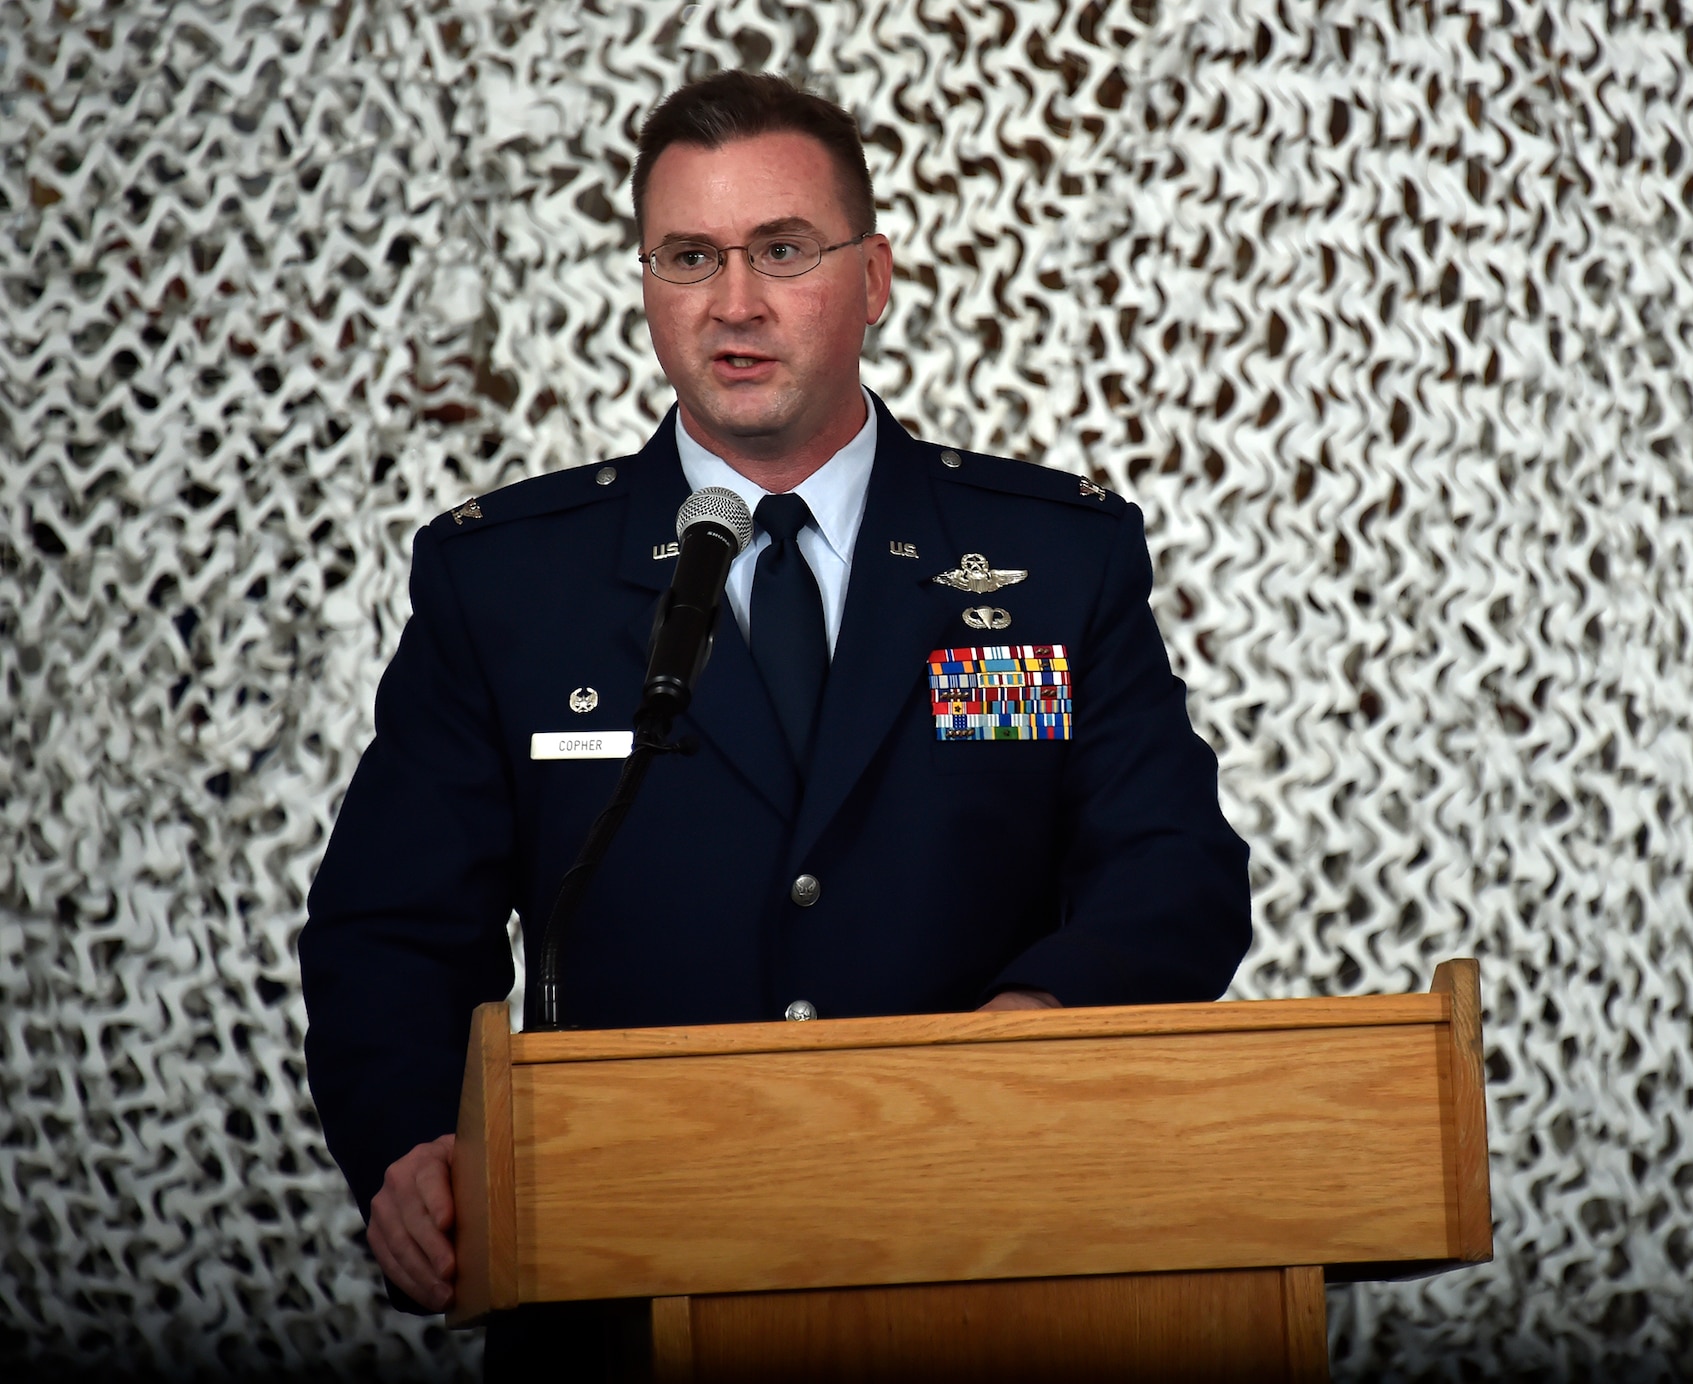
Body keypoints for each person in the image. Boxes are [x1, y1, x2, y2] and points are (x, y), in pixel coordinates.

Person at [299, 70, 1250, 1349]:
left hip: (987, 1261)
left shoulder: (1054, 561)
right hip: (623, 1280)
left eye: (782, 250)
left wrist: (1031, 1036)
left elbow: (1174, 869)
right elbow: (392, 926)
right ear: (644, 284)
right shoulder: (508, 582)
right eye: (689, 256)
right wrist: (417, 1138)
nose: (733, 304)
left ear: (874, 277)